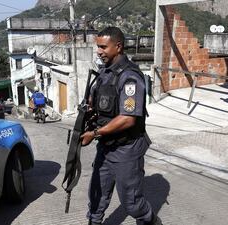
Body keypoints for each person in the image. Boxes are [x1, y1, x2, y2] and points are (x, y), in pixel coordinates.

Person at [80, 27, 162, 225]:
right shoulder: (104, 73)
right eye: (97, 46)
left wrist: (95, 133)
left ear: (118, 46)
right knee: (97, 196)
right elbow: (103, 105)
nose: (99, 51)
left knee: (132, 203)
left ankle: (151, 221)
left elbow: (128, 118)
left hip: (126, 149)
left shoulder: (130, 77)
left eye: (103, 47)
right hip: (106, 147)